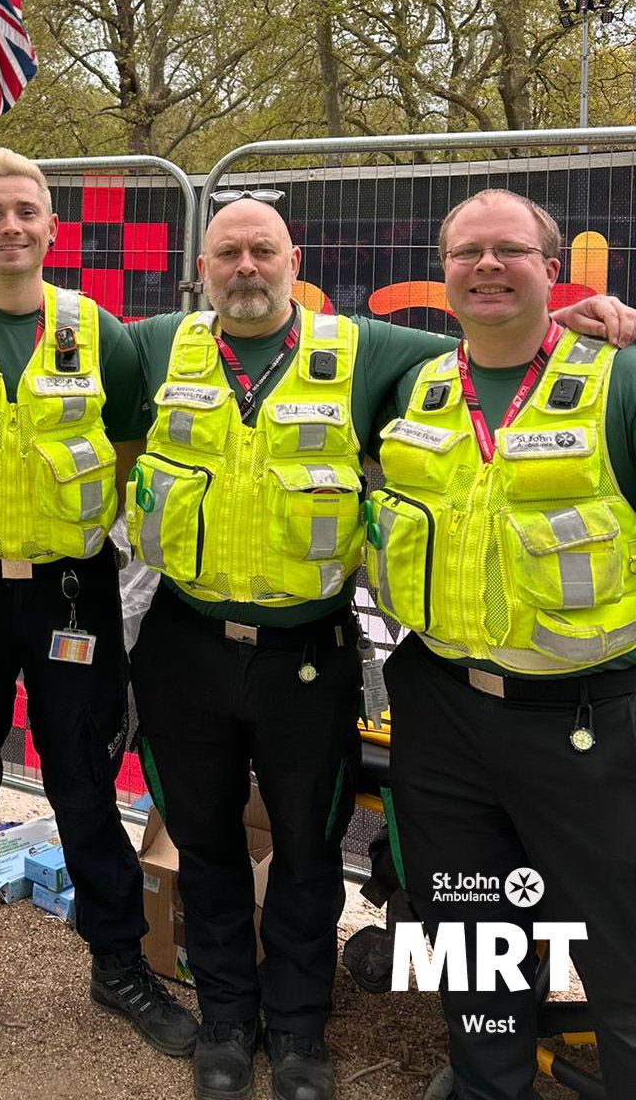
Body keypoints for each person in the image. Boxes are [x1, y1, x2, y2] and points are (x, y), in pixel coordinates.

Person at [119, 195, 635, 1100]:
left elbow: (508, 338)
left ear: (295, 259)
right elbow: (49, 332)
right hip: (220, 655)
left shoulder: (378, 354)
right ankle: (234, 1026)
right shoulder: (157, 343)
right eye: (226, 252)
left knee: (606, 929)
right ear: (200, 268)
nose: (245, 267)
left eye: (509, 251)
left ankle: (302, 1034)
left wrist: (600, 323)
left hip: (493, 695)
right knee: (435, 910)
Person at [0, 148, 197, 1072]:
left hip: (74, 589)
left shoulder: (96, 328)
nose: (11, 226)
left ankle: (117, 964)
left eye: (27, 211)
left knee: (82, 782)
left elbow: (133, 442)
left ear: (52, 228)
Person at [371, 189, 636, 1099]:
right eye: (466, 252)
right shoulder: (419, 382)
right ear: (441, 273)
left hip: (585, 722)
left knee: (619, 938)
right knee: (469, 928)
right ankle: (491, 1083)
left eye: (509, 251)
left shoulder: (620, 382)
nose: (486, 266)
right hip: (443, 708)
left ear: (551, 272)